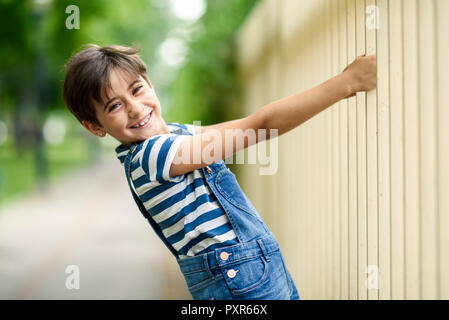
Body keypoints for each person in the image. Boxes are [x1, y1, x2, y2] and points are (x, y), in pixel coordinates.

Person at [62, 44, 377, 300]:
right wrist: (346, 82)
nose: (134, 107)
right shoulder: (151, 155)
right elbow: (258, 127)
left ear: (150, 85)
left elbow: (242, 128)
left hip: (247, 273)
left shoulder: (173, 135)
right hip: (239, 282)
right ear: (95, 127)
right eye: (114, 106)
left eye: (137, 89)